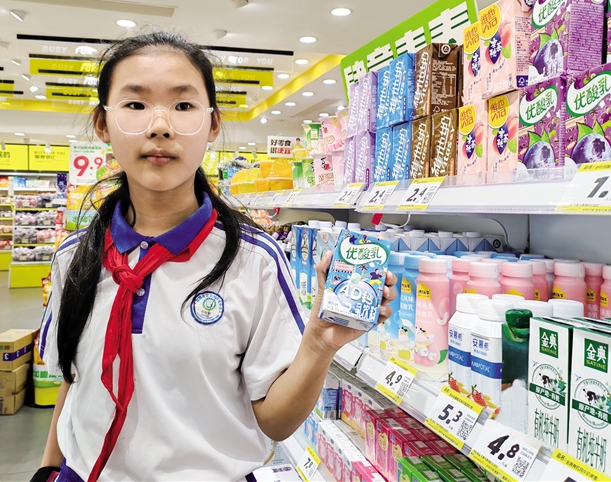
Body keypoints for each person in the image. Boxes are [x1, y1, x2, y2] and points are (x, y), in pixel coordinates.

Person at [33, 32, 396, 482]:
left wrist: (319, 345)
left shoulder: (253, 261)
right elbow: (74, 379)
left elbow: (276, 421)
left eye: (183, 105)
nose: (160, 126)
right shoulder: (74, 258)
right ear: (102, 124)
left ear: (212, 125)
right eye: (136, 104)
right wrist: (47, 469)